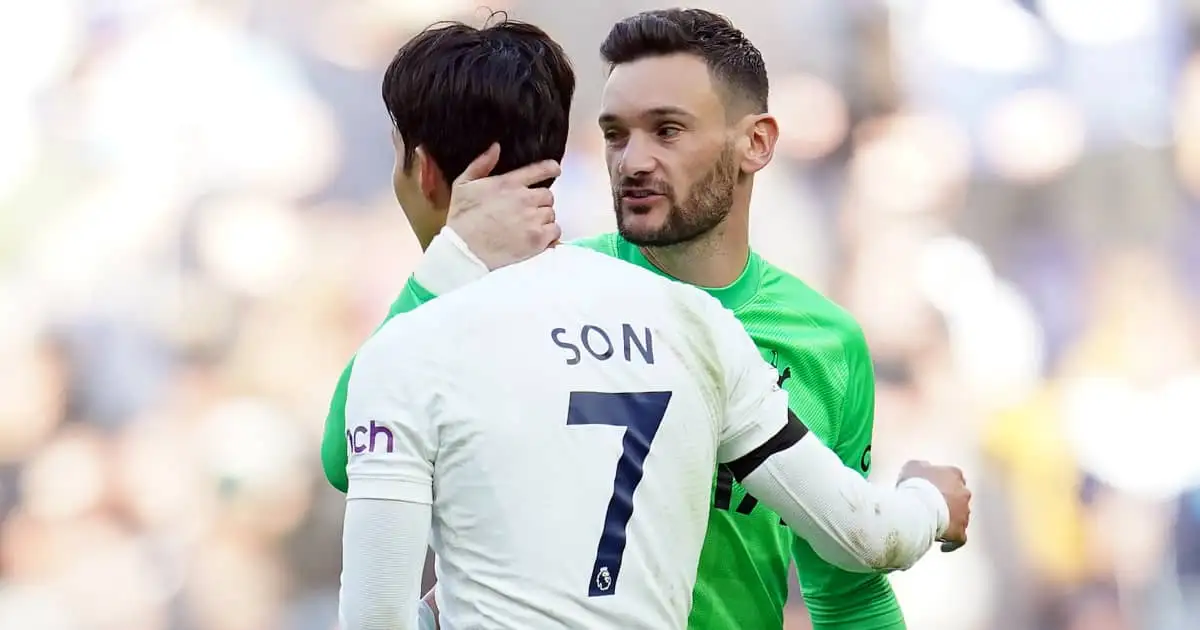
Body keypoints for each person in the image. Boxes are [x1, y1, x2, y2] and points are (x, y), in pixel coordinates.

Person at [333, 13, 971, 630]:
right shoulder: (697, 325)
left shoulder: (818, 340)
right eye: (615, 134)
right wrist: (929, 504)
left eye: (667, 130)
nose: (633, 160)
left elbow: (849, 591)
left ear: (758, 141)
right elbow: (865, 531)